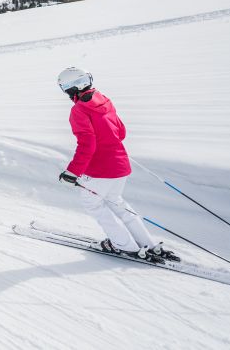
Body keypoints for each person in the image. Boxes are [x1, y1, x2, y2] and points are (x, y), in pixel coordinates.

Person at [56, 67, 178, 261]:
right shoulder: (104, 100)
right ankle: (148, 244)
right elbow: (120, 133)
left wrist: (72, 172)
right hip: (120, 166)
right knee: (117, 203)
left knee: (93, 204)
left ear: (70, 88)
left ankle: (124, 245)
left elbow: (87, 144)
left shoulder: (78, 110)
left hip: (101, 170)